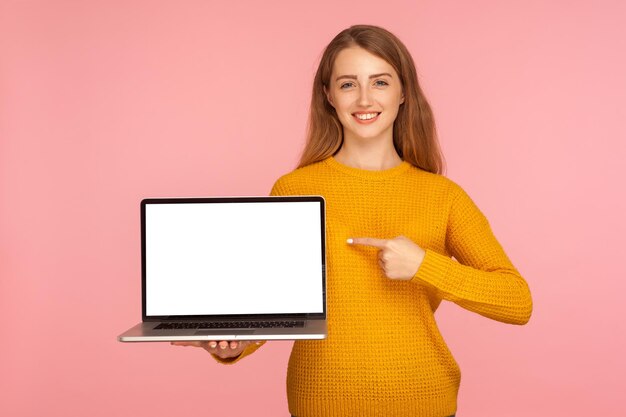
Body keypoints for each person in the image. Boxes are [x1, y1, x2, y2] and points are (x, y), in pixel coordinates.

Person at [173, 24, 533, 417]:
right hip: (319, 402)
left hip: (424, 400)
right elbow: (277, 306)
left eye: (380, 82)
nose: (364, 98)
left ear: (403, 92)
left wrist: (425, 266)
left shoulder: (443, 196)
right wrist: (237, 344)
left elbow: (517, 302)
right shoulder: (294, 189)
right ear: (328, 95)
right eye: (348, 84)